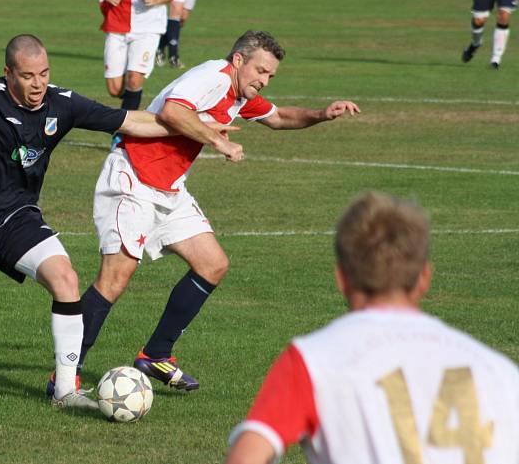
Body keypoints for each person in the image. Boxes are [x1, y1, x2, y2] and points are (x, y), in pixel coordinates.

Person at [0, 34, 238, 410]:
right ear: (8, 73)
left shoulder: (62, 103)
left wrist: (203, 131)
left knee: (65, 278)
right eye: (27, 76)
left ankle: (65, 391)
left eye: (43, 73)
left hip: (16, 219)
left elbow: (133, 122)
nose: (37, 84)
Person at [44, 30, 359, 396]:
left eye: (270, 76)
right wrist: (218, 140)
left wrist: (323, 114)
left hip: (169, 188)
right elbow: (173, 111)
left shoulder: (240, 94)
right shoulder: (213, 75)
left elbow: (279, 117)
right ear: (239, 60)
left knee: (212, 263)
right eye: (260, 71)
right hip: (132, 177)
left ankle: (156, 354)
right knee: (115, 278)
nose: (264, 80)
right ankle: (65, 378)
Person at [225, 192, 519, 464]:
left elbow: (248, 453)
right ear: (424, 278)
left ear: (341, 277)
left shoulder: (313, 360)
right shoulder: (500, 372)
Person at [87, 0, 177, 111]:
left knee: (134, 80)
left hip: (148, 27)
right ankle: (130, 103)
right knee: (115, 89)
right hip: (116, 25)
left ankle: (124, 132)